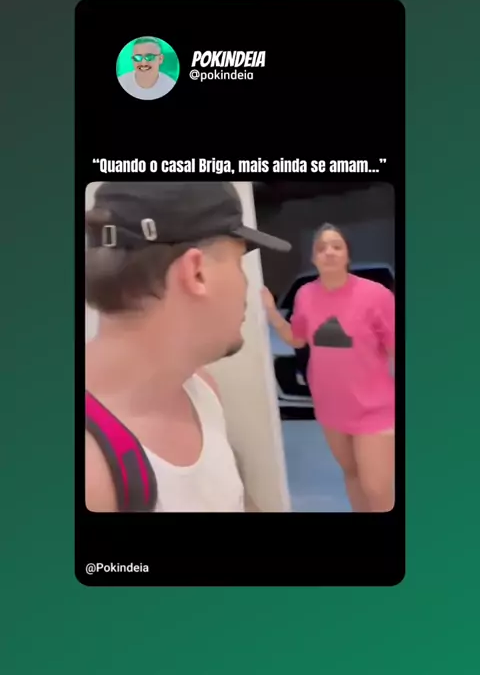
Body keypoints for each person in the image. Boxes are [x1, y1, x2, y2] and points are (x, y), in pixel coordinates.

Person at [85, 181, 291, 512]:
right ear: (196, 273)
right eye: (238, 263)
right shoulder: (90, 474)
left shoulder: (202, 391)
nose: (245, 285)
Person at [262, 223, 395, 512]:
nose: (329, 252)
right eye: (321, 248)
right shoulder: (305, 295)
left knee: (376, 488)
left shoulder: (376, 295)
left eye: (337, 246)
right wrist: (271, 312)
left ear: (348, 255)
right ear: (313, 258)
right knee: (352, 474)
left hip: (374, 407)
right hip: (331, 406)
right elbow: (298, 339)